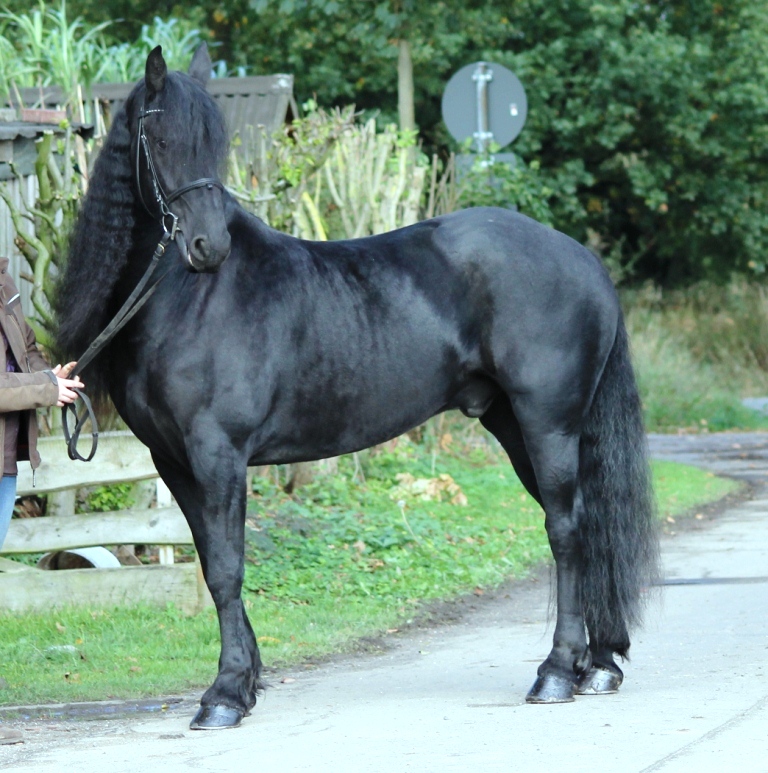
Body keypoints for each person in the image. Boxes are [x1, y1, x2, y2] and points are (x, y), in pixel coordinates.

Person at [0, 258, 82, 549]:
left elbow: (27, 348)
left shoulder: (4, 282)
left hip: (5, 462)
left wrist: (49, 376)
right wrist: (45, 389)